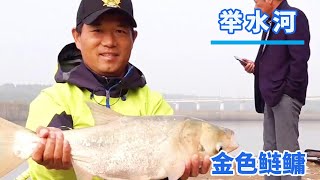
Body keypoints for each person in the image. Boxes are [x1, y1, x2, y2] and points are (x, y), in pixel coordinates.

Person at [24, 0, 211, 179]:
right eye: (97, 30)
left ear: (133, 37)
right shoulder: (53, 100)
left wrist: (177, 175)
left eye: (120, 31)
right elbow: (40, 175)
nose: (109, 42)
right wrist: (52, 165)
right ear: (77, 37)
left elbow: (162, 168)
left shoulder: (153, 104)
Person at [242, 0, 310, 179]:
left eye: (257, 2)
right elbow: (275, 62)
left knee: (287, 153)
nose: (255, 7)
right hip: (270, 95)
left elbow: (300, 59)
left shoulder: (294, 17)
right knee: (270, 150)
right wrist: (256, 68)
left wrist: (289, 91)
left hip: (285, 96)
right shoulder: (270, 24)